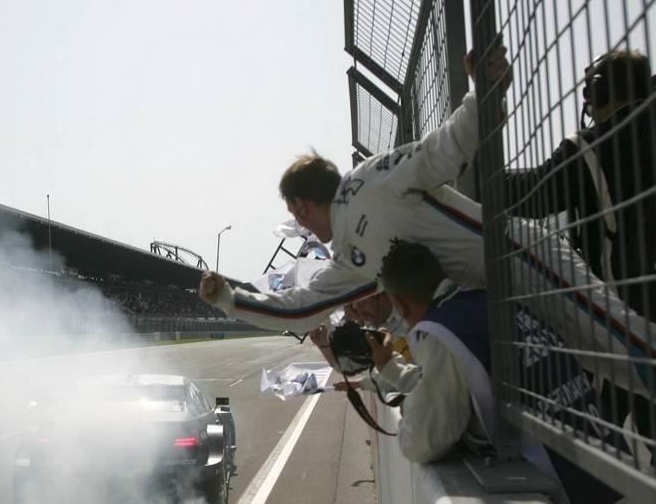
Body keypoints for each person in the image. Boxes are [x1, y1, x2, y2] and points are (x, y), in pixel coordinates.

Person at [198, 44, 656, 398]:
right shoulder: (347, 260)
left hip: (522, 260)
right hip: (499, 301)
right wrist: (230, 298)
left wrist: (485, 94)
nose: (297, 221)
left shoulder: (372, 179)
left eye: (294, 211)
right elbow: (300, 308)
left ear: (300, 206)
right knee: (611, 369)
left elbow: (445, 148)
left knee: (625, 351)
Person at [372, 239, 642, 504]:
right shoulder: (495, 303)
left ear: (399, 303)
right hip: (620, 484)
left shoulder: (442, 331)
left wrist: (405, 410)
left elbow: (425, 440)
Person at [498, 49, 656, 504]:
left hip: (629, 320)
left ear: (600, 96)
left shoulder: (599, 147)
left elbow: (527, 194)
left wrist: (468, 173)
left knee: (613, 436)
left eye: (590, 94)